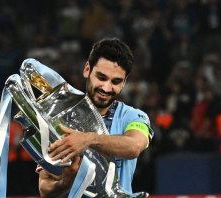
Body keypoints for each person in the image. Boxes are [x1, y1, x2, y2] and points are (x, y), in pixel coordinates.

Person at [37, 38, 154, 197]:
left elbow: (134, 146)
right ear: (87, 70)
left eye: (116, 81)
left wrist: (88, 139)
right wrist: (66, 181)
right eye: (101, 77)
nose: (106, 88)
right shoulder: (59, 117)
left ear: (124, 82)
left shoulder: (133, 116)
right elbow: (44, 188)